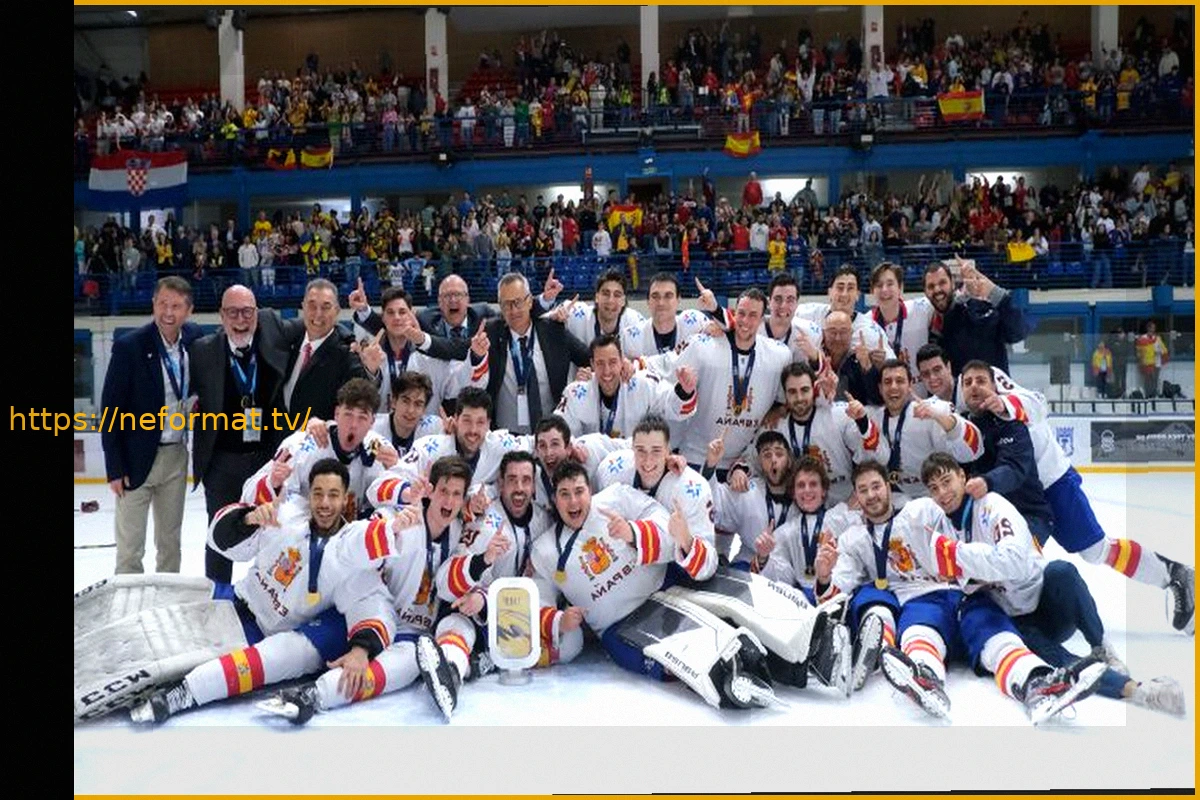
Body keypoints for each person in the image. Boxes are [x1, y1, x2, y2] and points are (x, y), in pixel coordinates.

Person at [831, 461, 1106, 724]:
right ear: (856, 496)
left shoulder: (921, 510)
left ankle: (1036, 684)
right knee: (921, 629)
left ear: (888, 487)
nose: (871, 495)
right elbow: (841, 582)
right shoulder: (852, 538)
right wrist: (823, 578)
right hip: (920, 600)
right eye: (863, 490)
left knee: (995, 635)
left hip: (967, 592)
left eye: (876, 486)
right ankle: (925, 678)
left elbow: (959, 524)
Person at [130, 459, 398, 723]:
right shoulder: (287, 514)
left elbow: (372, 602)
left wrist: (362, 649)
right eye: (318, 494)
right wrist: (248, 519)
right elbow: (219, 541)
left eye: (333, 495)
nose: (324, 503)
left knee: (209, 659)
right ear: (309, 496)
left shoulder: (351, 547)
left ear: (346, 499)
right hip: (235, 602)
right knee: (158, 631)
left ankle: (181, 695)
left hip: (268, 635)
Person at [920, 452, 1185, 717]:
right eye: (934, 488)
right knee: (1059, 660)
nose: (943, 493)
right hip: (1016, 620)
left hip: (1047, 600)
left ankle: (1101, 646)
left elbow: (1013, 562)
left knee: (1062, 572)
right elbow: (962, 583)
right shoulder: (942, 528)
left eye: (946, 481)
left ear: (963, 477)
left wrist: (965, 561)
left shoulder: (991, 507)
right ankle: (1137, 691)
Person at [956, 361, 1195, 635]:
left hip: (1050, 480)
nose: (933, 378)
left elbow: (1037, 405)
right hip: (1016, 493)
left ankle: (1172, 573)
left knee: (1095, 550)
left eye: (937, 371)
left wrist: (1004, 404)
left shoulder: (982, 374)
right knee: (1014, 555)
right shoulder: (949, 398)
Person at [259, 457, 477, 723]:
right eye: (443, 491)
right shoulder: (399, 518)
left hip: (409, 633)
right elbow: (362, 555)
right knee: (301, 649)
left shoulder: (460, 532)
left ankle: (312, 697)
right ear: (430, 491)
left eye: (457, 494)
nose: (449, 501)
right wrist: (365, 640)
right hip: (364, 615)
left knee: (405, 664)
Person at [190, 285, 301, 582]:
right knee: (220, 531)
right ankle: (218, 594)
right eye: (233, 312)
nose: (240, 319)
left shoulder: (272, 333)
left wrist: (351, 339)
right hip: (222, 462)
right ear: (221, 315)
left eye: (247, 312)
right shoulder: (202, 350)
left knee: (273, 528)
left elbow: (315, 325)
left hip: (266, 460)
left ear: (257, 313)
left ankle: (267, 593)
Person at [100, 276, 203, 575]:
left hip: (176, 456)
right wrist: (114, 467)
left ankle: (166, 599)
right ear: (153, 304)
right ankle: (128, 601)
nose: (168, 312)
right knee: (130, 548)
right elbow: (111, 410)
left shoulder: (195, 340)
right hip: (135, 459)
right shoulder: (130, 346)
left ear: (189, 311)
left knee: (170, 543)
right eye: (162, 304)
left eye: (176, 306)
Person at [668, 288, 793, 475]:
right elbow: (671, 397)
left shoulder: (780, 356)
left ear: (762, 320)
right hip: (696, 456)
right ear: (734, 313)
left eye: (753, 315)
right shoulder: (703, 346)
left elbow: (784, 401)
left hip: (740, 465)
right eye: (741, 313)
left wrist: (778, 409)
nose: (745, 321)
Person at [242, 378, 398, 520]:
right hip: (303, 534)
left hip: (352, 537)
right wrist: (272, 483)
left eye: (362, 418)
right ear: (336, 414)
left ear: (372, 422)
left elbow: (396, 506)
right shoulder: (301, 445)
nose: (353, 425)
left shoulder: (380, 451)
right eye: (348, 414)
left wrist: (395, 470)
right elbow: (248, 497)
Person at [595, 416, 717, 571]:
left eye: (656, 451)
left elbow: (710, 565)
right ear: (632, 448)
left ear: (668, 450)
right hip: (618, 566)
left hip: (669, 571)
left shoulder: (693, 490)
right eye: (641, 450)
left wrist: (686, 540)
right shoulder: (612, 469)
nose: (648, 461)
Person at [350, 285, 487, 414]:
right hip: (383, 429)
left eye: (402, 312)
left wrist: (476, 356)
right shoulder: (372, 357)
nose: (397, 317)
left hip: (425, 430)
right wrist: (370, 372)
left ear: (412, 316)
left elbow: (463, 383)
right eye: (390, 312)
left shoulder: (432, 360)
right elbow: (358, 403)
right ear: (383, 318)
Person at [863, 359, 984, 505]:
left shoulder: (933, 410)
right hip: (896, 499)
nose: (893, 386)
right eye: (887, 382)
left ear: (910, 386)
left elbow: (974, 450)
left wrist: (941, 418)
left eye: (900, 381)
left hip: (937, 497)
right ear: (880, 388)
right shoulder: (871, 419)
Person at [483, 273, 591, 435]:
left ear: (529, 301)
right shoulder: (491, 333)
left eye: (518, 302)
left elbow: (591, 358)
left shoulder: (553, 331)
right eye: (507, 304)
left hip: (550, 435)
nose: (513, 310)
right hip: (505, 437)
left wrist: (587, 376)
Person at [766, 361, 883, 503]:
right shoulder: (776, 427)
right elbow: (754, 462)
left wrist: (863, 424)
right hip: (803, 506)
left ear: (814, 389)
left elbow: (876, 458)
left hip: (846, 503)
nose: (799, 398)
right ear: (784, 394)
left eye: (804, 390)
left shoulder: (839, 415)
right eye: (792, 392)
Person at [753, 455, 860, 606]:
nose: (807, 490)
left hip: (835, 596)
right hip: (798, 601)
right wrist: (763, 558)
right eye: (801, 485)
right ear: (793, 493)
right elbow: (782, 577)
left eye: (813, 484)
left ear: (824, 491)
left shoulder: (843, 519)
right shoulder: (784, 532)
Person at [555, 334, 698, 438]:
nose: (606, 371)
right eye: (600, 363)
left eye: (612, 362)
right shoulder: (577, 392)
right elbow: (560, 431)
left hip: (637, 462)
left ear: (622, 360)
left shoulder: (642, 384)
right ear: (592, 364)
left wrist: (685, 390)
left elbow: (672, 405)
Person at [282, 279, 372, 423]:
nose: (318, 314)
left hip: (319, 435)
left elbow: (356, 404)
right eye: (312, 306)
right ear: (303, 307)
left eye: (326, 307)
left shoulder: (347, 355)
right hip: (280, 431)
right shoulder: (288, 341)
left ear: (337, 311)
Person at [921, 258, 1026, 375]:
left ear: (952, 283)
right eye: (931, 286)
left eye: (942, 283)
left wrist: (995, 293)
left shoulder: (980, 309)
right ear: (925, 291)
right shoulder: (930, 326)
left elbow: (1016, 333)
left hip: (994, 385)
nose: (937, 290)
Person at [620, 273, 718, 359]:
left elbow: (723, 334)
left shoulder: (694, 322)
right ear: (648, 301)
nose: (661, 303)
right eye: (655, 296)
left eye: (668, 296)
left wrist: (715, 310)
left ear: (678, 299)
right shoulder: (631, 337)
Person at [370, 371, 445, 456]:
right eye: (405, 401)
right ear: (393, 401)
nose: (410, 410)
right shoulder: (373, 428)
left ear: (424, 409)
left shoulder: (435, 429)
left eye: (418, 404)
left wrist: (450, 436)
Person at [1134, 320, 1169, 398]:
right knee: (1148, 379)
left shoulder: (1157, 338)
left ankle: (1154, 394)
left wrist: (1157, 351)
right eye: (1151, 328)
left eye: (1153, 328)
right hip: (1147, 362)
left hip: (1156, 362)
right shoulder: (1142, 338)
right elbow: (1139, 350)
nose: (1152, 330)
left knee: (1155, 379)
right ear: (1148, 328)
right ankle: (1148, 394)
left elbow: (1163, 349)